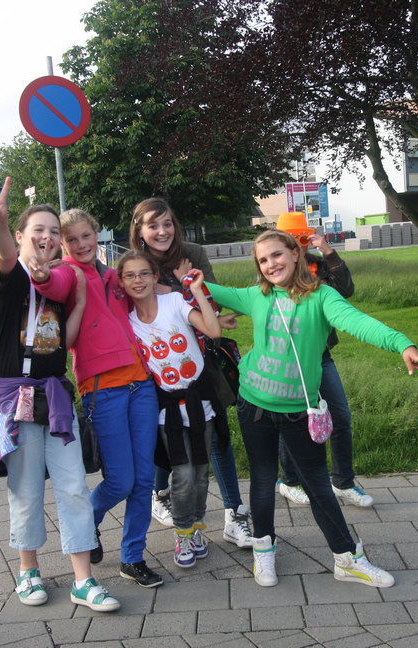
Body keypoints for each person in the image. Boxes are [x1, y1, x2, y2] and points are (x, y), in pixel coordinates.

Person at [205, 230, 418, 588]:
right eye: (263, 260)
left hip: (301, 410)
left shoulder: (322, 296)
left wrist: (402, 345)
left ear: (295, 254)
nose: (271, 264)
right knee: (263, 481)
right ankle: (263, 551)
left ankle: (347, 559)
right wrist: (180, 276)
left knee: (317, 486)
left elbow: (358, 322)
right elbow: (205, 289)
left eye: (277, 255)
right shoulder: (256, 296)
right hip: (253, 406)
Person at [0, 176, 120, 613]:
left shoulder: (59, 281)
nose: (47, 237)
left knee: (74, 486)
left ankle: (83, 580)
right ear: (23, 235)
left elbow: (66, 341)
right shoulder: (12, 276)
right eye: (37, 230)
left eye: (53, 232)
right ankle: (28, 570)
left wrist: (80, 302)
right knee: (25, 488)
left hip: (55, 395)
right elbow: (5, 254)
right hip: (13, 398)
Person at [31, 208, 163, 588]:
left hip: (142, 384)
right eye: (71, 239)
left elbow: (146, 292)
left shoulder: (113, 276)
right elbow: (52, 284)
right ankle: (84, 525)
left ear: (97, 234)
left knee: (143, 480)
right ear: (62, 243)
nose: (81, 244)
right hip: (102, 388)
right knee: (120, 481)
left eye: (86, 236)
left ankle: (132, 557)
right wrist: (41, 275)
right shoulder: (67, 273)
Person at [129, 197, 254, 549]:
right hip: (157, 368)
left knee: (216, 437)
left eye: (167, 223)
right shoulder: (135, 264)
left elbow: (212, 302)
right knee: (167, 435)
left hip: (201, 364)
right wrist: (172, 287)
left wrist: (181, 286)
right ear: (139, 230)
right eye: (153, 225)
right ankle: (160, 494)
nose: (162, 231)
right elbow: (132, 306)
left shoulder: (193, 253)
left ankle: (234, 513)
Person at [119, 250, 223, 569]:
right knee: (183, 474)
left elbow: (213, 330)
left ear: (155, 277)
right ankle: (182, 532)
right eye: (129, 275)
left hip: (200, 401)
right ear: (121, 282)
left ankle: (197, 526)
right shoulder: (127, 322)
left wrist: (196, 292)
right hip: (167, 408)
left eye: (144, 273)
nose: (138, 280)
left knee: (201, 473)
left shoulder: (175, 302)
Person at [273, 212, 374, 508]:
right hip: (289, 357)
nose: (298, 244)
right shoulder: (273, 268)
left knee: (340, 418)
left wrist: (328, 252)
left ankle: (343, 482)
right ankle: (289, 481)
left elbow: (345, 291)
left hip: (320, 355)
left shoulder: (318, 264)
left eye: (302, 238)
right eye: (292, 238)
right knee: (293, 421)